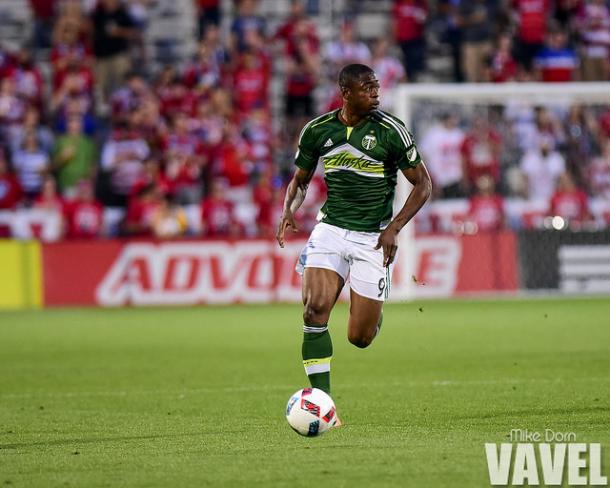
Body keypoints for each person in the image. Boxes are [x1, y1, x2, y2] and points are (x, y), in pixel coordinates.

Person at [276, 64, 431, 411]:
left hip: (372, 237)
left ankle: (372, 316)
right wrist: (289, 209)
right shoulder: (317, 130)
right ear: (346, 93)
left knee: (359, 338)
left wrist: (394, 228)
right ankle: (322, 402)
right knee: (313, 311)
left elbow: (423, 184)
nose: (375, 93)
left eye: (376, 87)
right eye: (367, 88)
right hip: (330, 229)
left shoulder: (391, 131)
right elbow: (300, 181)